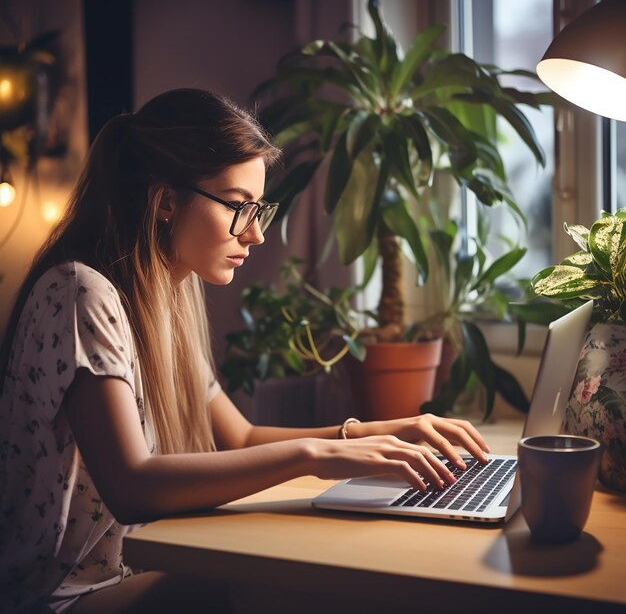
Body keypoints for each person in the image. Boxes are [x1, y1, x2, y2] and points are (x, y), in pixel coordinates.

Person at [0, 88, 491, 613]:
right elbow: (131, 485)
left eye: (258, 209)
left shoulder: (170, 291)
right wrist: (319, 456)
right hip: (65, 597)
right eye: (238, 207)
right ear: (164, 200)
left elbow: (240, 436)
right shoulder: (81, 291)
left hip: (135, 569)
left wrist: (372, 432)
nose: (255, 234)